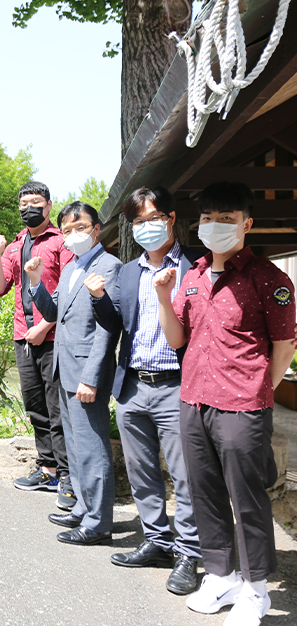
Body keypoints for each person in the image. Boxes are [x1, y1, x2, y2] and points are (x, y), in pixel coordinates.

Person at [154, 182, 295, 626]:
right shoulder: (191, 277)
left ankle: (256, 591)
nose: (214, 226)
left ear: (247, 224)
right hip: (194, 401)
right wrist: (162, 296)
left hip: (242, 406)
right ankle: (221, 575)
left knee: (247, 498)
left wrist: (261, 394)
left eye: (226, 218)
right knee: (204, 495)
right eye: (208, 217)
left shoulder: (269, 279)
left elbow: (285, 343)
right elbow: (177, 338)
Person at [84, 187, 201, 595]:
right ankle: (157, 541)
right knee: (142, 473)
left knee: (185, 475)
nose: (146, 228)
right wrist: (99, 298)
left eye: (153, 219)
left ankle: (189, 551)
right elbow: (117, 323)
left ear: (170, 218)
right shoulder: (130, 272)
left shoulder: (195, 267)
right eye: (138, 222)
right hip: (133, 385)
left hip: (177, 386)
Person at [25, 201, 122, 546]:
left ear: (96, 229)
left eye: (80, 227)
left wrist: (92, 376)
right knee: (77, 445)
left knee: (92, 447)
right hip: (64, 368)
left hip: (86, 374)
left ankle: (98, 522)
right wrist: (35, 282)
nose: (72, 235)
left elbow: (107, 329)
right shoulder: (71, 269)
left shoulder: (109, 266)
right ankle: (82, 507)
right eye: (66, 230)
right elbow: (55, 311)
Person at [0, 181, 75, 509]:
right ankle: (47, 468)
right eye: (24, 203)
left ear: (49, 206)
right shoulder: (15, 245)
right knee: (36, 406)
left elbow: (68, 290)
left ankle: (67, 475)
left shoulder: (60, 242)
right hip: (23, 337)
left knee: (57, 409)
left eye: (36, 202)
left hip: (52, 337)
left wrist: (44, 326)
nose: (29, 208)